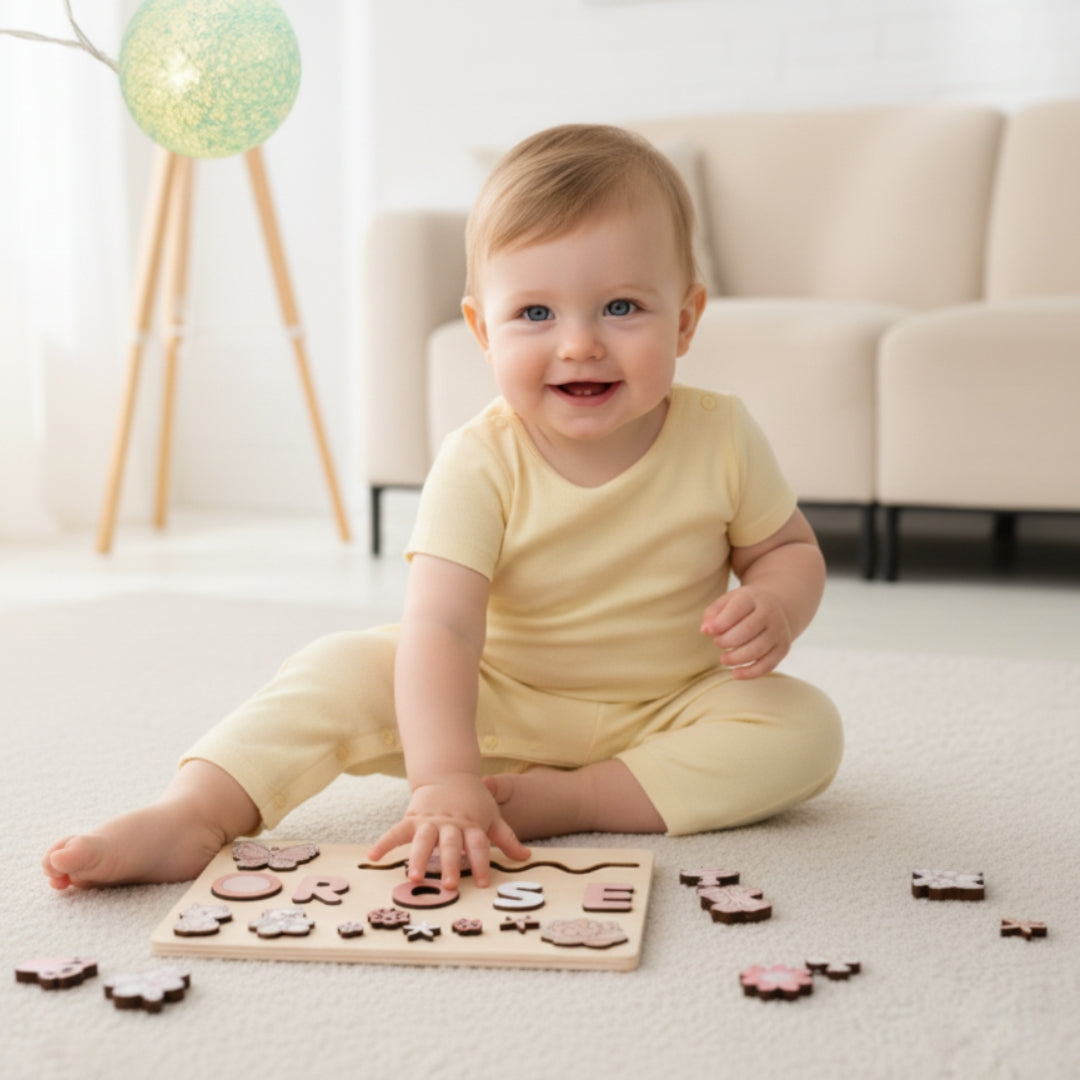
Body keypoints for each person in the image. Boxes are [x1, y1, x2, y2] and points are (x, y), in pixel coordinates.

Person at [43, 123, 842, 895]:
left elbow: (787, 550)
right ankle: (194, 812)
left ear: (687, 319)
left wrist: (775, 601)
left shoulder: (722, 435)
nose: (578, 344)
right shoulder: (479, 459)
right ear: (481, 331)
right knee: (335, 672)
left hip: (668, 707)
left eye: (621, 307)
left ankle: (581, 798)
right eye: (535, 314)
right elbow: (443, 630)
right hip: (491, 700)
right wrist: (445, 778)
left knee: (804, 731)